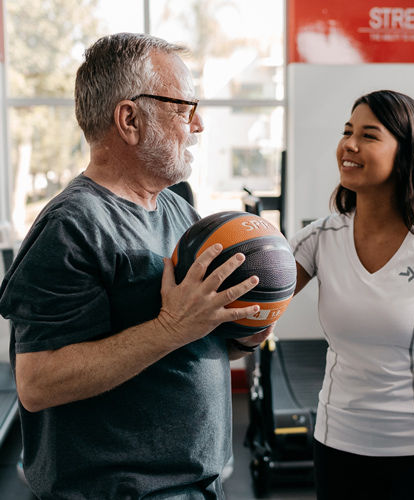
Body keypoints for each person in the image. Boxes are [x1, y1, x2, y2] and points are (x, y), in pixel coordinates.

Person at [0, 32, 272, 499]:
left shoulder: (178, 211)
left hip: (197, 486)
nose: (199, 124)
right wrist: (170, 327)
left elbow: (194, 343)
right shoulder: (73, 225)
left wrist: (245, 329)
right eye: (186, 108)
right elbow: (38, 383)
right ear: (129, 119)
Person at [291, 90, 414, 500]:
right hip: (337, 445)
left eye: (369, 135)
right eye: (347, 131)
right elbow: (252, 301)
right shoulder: (320, 238)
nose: (350, 144)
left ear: (406, 152)